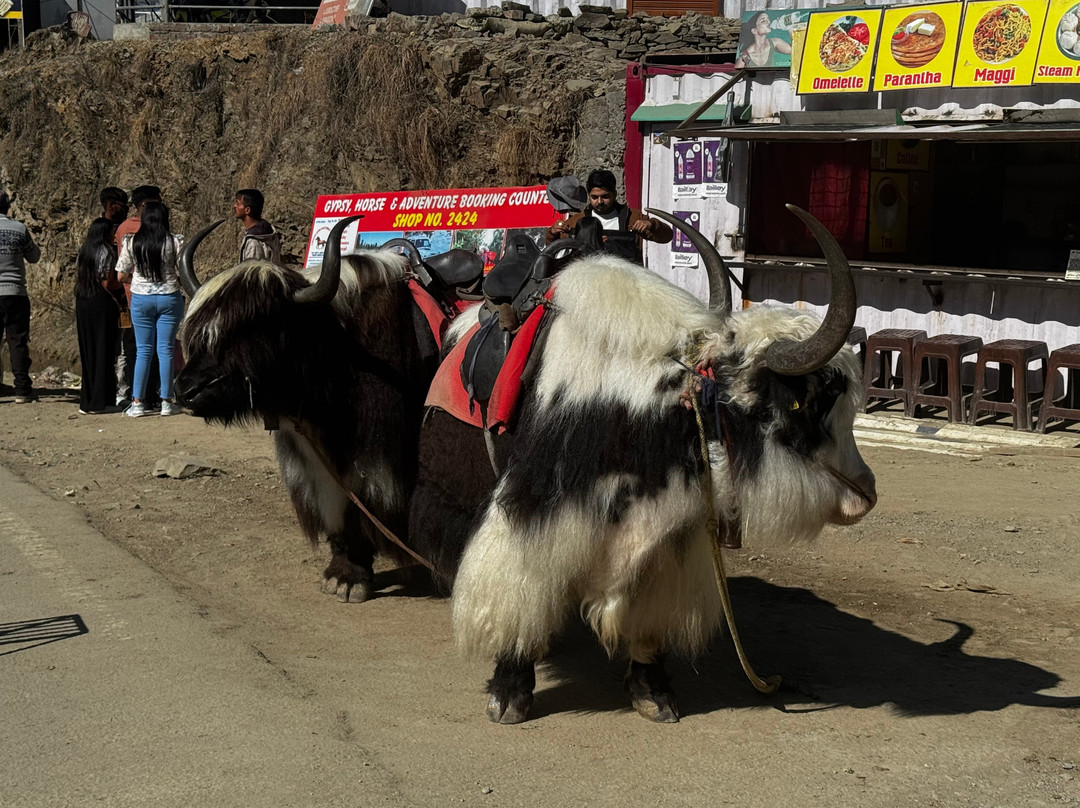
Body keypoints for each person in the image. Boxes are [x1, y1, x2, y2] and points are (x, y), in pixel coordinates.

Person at [115, 201, 185, 418]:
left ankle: (137, 402)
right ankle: (166, 401)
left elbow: (120, 275)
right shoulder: (175, 241)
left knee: (143, 350)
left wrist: (135, 279)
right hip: (169, 297)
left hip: (141, 299)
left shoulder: (131, 242)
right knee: (165, 350)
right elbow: (183, 271)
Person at [545, 169, 672, 264]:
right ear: (589, 195)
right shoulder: (576, 221)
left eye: (605, 196)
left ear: (615, 194)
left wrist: (652, 224)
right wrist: (553, 233)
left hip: (629, 286)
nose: (599, 202)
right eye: (594, 197)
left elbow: (667, 236)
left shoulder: (633, 217)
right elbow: (555, 250)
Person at [114, 185, 162, 409]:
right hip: (155, 295)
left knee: (136, 348)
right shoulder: (158, 227)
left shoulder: (124, 228)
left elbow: (121, 269)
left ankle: (137, 395)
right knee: (155, 348)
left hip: (133, 297)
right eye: (157, 201)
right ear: (145, 205)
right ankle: (151, 394)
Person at [75, 218, 122, 414]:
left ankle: (88, 400)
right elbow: (107, 282)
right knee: (104, 349)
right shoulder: (106, 251)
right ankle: (101, 402)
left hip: (83, 301)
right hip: (101, 302)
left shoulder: (84, 251)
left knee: (89, 350)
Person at [0, 190, 42, 403]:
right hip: (15, 292)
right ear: (7, 206)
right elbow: (34, 257)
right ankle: (22, 391)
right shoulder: (18, 229)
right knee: (17, 341)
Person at [234, 189, 282, 264]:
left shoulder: (254, 242)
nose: (235, 206)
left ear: (247, 210)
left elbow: (252, 272)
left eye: (238, 203)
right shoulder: (268, 232)